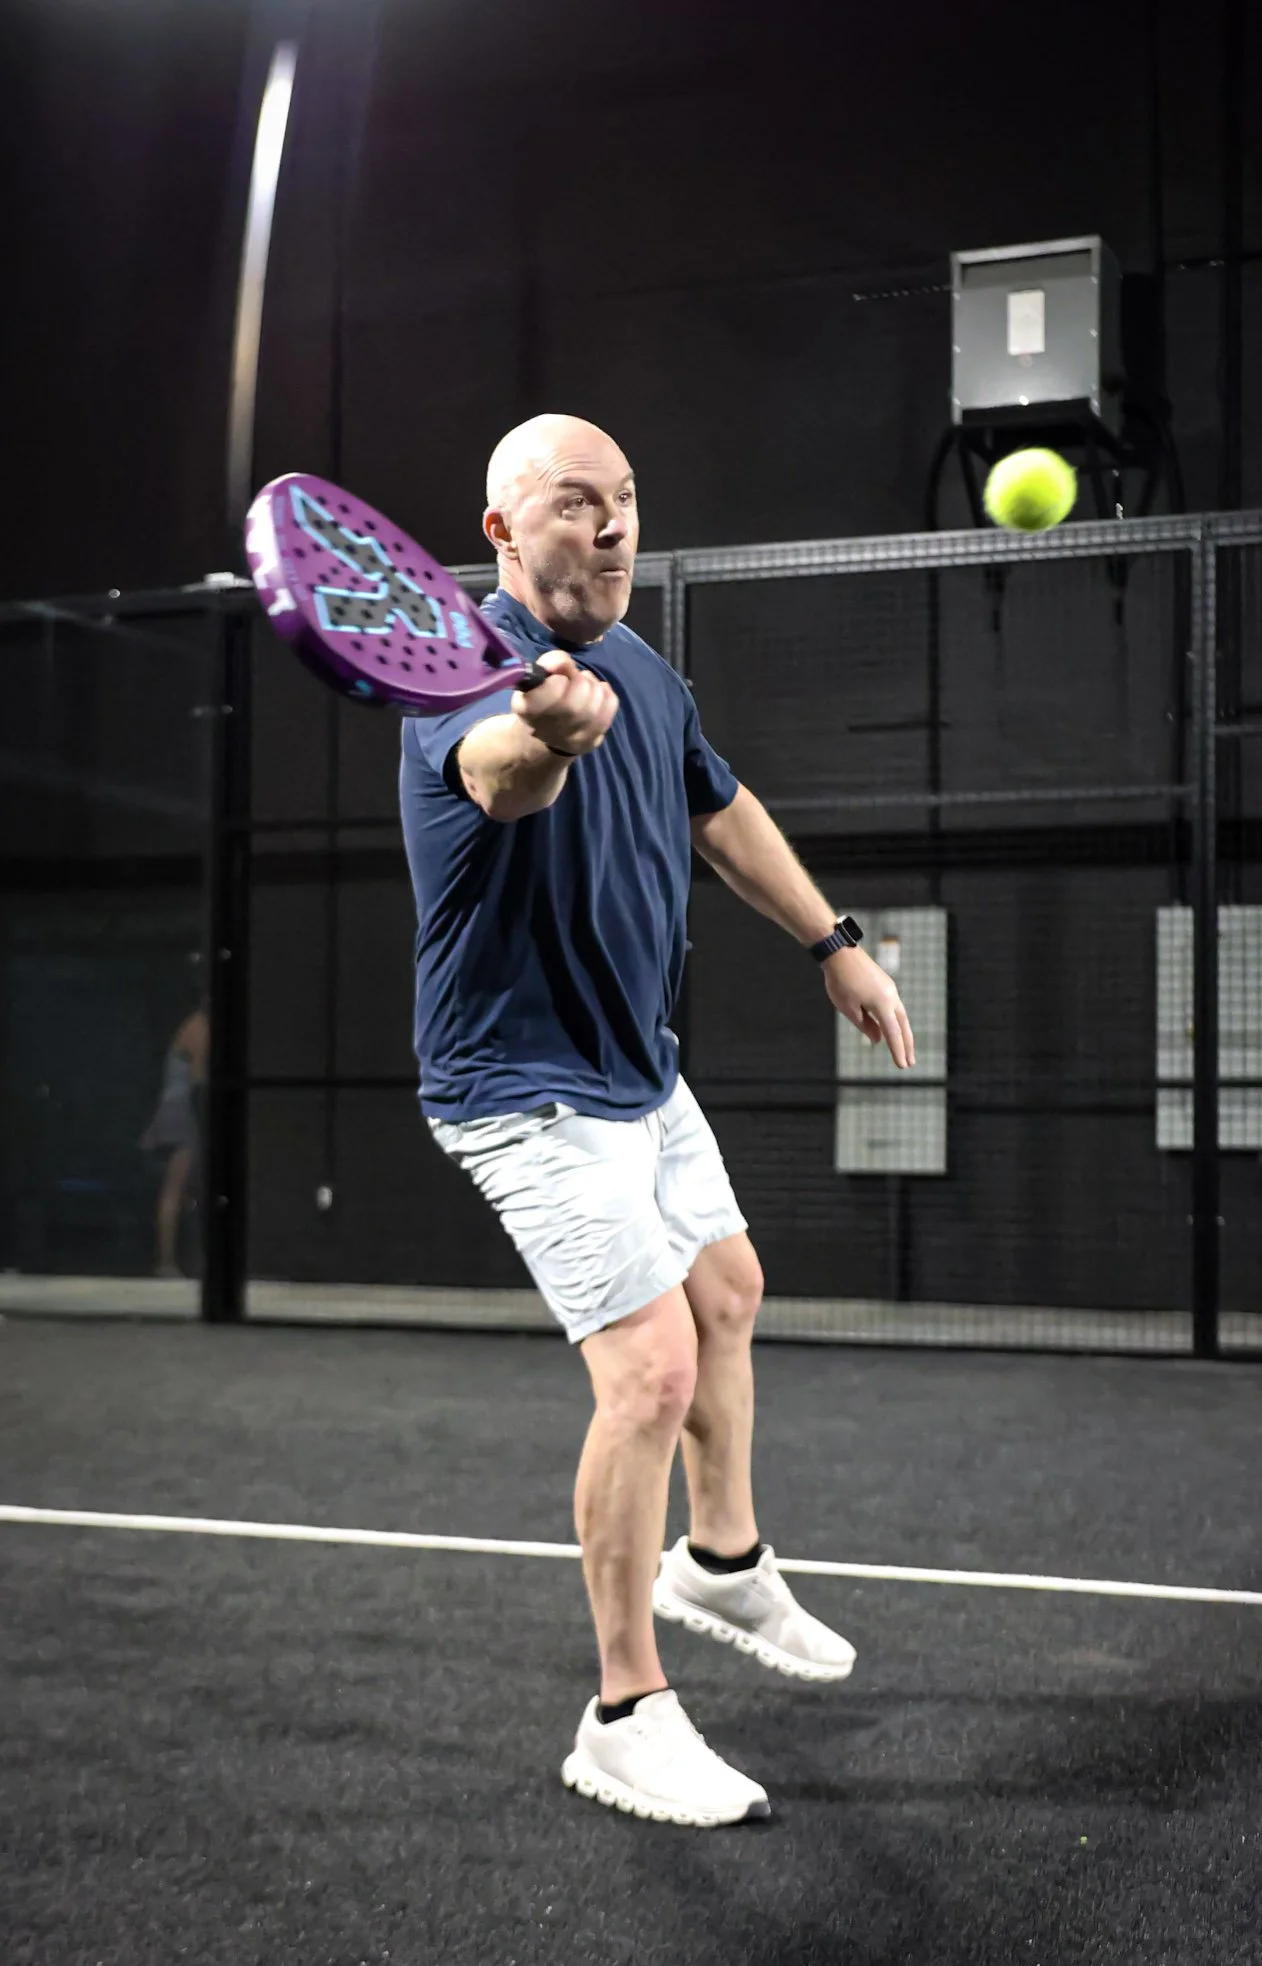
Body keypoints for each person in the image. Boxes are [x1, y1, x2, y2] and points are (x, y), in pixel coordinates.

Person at [399, 415, 914, 1827]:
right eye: (579, 502)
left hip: (638, 1070)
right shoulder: (463, 679)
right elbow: (496, 779)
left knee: (729, 1293)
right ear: (506, 530)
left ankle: (723, 1563)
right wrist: (548, 737)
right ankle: (625, 1711)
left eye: (628, 498)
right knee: (648, 1379)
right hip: (520, 1086)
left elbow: (720, 807)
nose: (616, 524)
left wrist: (833, 943)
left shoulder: (644, 670)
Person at [138, 999, 208, 1278]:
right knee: (175, 1187)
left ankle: (176, 1258)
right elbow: (199, 1074)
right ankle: (166, 1260)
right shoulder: (200, 1026)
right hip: (183, 1111)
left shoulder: (196, 1023)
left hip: (182, 1108)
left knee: (181, 1189)